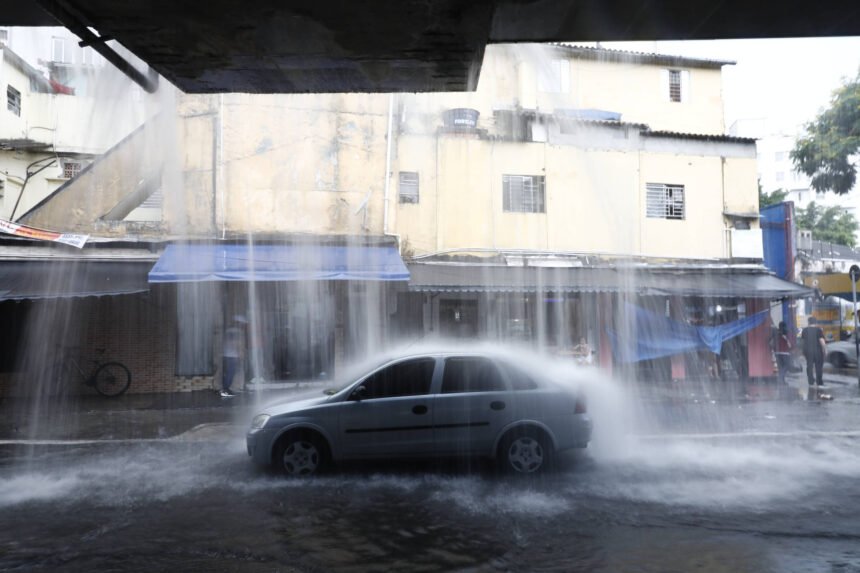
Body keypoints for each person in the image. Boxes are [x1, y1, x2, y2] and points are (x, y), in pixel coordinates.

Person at [221, 315, 246, 397]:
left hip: (227, 354)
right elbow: (235, 343)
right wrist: (240, 352)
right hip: (232, 355)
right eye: (242, 324)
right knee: (230, 372)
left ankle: (226, 388)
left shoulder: (229, 330)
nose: (243, 325)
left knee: (229, 372)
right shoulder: (236, 331)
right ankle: (225, 390)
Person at [800, 317, 826, 387]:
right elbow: (822, 341)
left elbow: (802, 342)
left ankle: (810, 381)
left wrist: (802, 351)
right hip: (818, 352)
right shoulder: (819, 330)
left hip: (808, 351)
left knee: (809, 366)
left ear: (808, 322)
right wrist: (824, 350)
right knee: (819, 367)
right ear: (816, 322)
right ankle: (819, 381)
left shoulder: (804, 330)